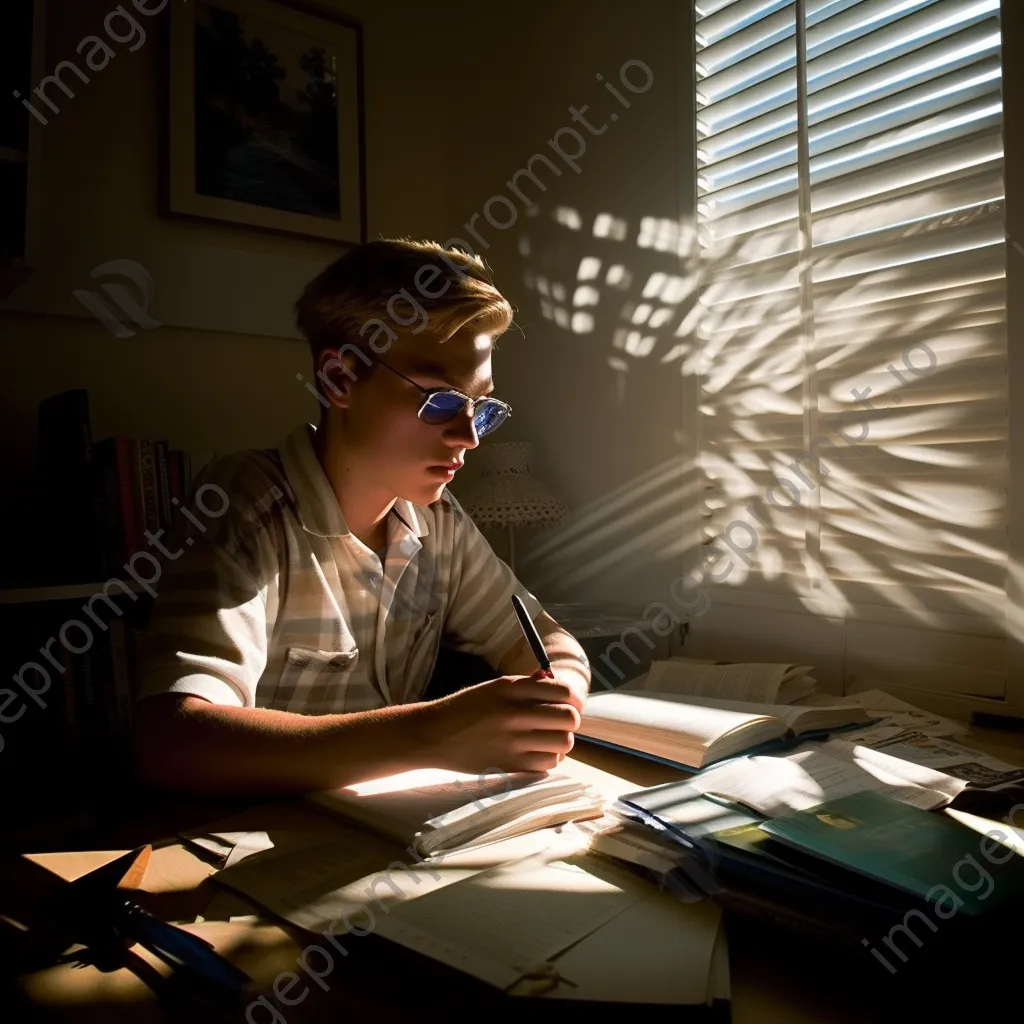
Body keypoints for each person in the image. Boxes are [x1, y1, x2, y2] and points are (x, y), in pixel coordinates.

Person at [133, 238, 590, 795]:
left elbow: (548, 638)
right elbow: (173, 741)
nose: (467, 437)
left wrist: (559, 693)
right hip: (249, 843)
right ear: (340, 378)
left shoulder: (438, 519)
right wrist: (433, 734)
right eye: (441, 401)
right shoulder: (246, 503)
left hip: (381, 836)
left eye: (481, 407)